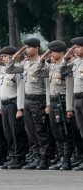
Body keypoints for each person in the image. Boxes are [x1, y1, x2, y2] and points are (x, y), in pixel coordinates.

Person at [6, 38, 51, 170]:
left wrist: (47, 104)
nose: (27, 50)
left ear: (37, 48)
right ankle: (36, 157)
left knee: (40, 130)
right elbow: (9, 69)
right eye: (26, 47)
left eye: (30, 47)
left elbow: (48, 86)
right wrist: (16, 54)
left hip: (39, 101)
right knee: (30, 131)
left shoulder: (43, 63)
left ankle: (44, 159)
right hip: (28, 101)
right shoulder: (25, 64)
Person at [35, 40, 74, 170]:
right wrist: (41, 60)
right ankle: (61, 158)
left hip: (62, 102)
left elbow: (69, 88)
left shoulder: (67, 66)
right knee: (56, 132)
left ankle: (67, 161)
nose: (50, 54)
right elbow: (38, 72)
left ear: (60, 52)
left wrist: (69, 108)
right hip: (53, 102)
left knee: (65, 132)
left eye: (52, 52)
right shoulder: (51, 66)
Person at [0, 46, 27, 169]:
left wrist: (20, 108)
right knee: (8, 133)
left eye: (4, 56)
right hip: (4, 104)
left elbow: (21, 90)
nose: (2, 58)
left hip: (14, 104)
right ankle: (12, 157)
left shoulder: (18, 70)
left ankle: (19, 158)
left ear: (11, 57)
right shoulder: (3, 70)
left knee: (16, 133)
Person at [60, 37, 83, 171]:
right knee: (81, 130)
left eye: (77, 47)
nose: (75, 50)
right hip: (77, 99)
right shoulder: (76, 63)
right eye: (73, 48)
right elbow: (62, 70)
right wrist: (67, 57)